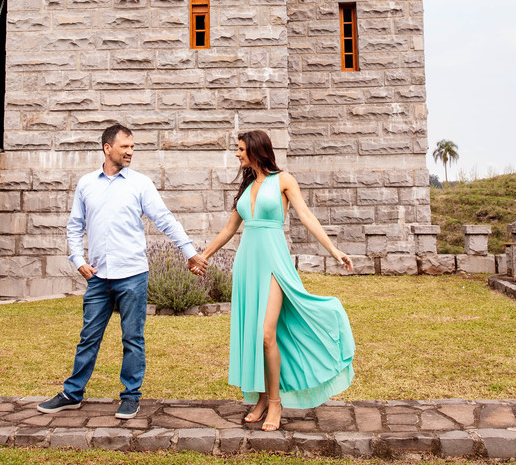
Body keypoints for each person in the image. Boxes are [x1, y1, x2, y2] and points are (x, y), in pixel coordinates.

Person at [37, 123, 206, 420]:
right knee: (89, 336)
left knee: (132, 338)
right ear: (107, 148)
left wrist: (189, 252)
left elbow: (164, 219)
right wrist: (78, 259)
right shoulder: (86, 184)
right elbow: (75, 226)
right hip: (98, 278)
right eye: (125, 147)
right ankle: (72, 394)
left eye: (132, 147)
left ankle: (130, 397)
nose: (130, 152)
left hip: (132, 276)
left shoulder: (140, 184)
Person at [196, 130, 355, 432]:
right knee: (255, 335)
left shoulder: (283, 180)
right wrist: (204, 255)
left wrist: (334, 250)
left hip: (273, 264)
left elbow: (306, 216)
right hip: (247, 266)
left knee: (268, 334)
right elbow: (229, 229)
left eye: (240, 149)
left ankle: (275, 403)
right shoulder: (245, 188)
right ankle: (259, 399)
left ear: (256, 150)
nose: (237, 154)